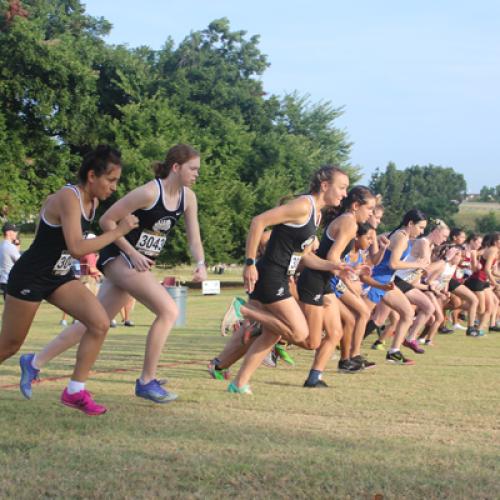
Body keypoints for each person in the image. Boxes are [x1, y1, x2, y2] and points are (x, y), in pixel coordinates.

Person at [21, 144, 207, 404]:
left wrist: (201, 262)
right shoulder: (150, 192)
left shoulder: (189, 198)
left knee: (93, 321)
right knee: (169, 311)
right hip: (119, 257)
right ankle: (146, 381)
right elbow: (107, 220)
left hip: (137, 263)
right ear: (176, 167)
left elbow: (194, 237)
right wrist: (132, 253)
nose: (197, 174)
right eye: (193, 169)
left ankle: (34, 362)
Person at [1, 145, 138, 415]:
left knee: (99, 323)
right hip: (32, 275)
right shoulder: (68, 197)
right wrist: (119, 231)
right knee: (9, 345)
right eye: (110, 180)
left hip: (58, 276)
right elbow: (76, 247)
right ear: (91, 176)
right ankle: (30, 364)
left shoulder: (94, 202)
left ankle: (75, 391)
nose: (114, 187)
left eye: (116, 181)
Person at [227, 165, 350, 394]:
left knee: (272, 333)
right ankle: (243, 311)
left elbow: (306, 258)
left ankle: (239, 383)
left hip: (282, 277)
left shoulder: (317, 214)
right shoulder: (303, 205)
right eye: (342, 187)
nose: (344, 194)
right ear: (325, 186)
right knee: (300, 334)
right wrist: (249, 263)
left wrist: (336, 266)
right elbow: (258, 222)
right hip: (270, 275)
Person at [298, 186, 376, 389]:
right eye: (369, 209)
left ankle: (314, 378)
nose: (371, 214)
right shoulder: (349, 223)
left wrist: (353, 269)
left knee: (335, 333)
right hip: (314, 280)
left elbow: (335, 259)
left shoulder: (348, 221)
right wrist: (347, 269)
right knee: (310, 341)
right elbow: (332, 257)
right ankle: (261, 327)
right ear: (356, 206)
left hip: (324, 281)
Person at [364, 209, 428, 365]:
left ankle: (394, 352)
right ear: (410, 223)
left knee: (407, 313)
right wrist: (417, 264)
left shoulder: (400, 234)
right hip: (377, 281)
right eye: (420, 227)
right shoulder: (401, 237)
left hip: (386, 282)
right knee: (358, 317)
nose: (422, 232)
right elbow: (393, 264)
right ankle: (339, 345)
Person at [0, 222, 21, 299]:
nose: (16, 233)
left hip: (4, 280)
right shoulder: (10, 247)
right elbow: (21, 262)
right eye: (14, 231)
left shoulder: (2, 245)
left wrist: (17, 247)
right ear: (8, 232)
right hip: (11, 282)